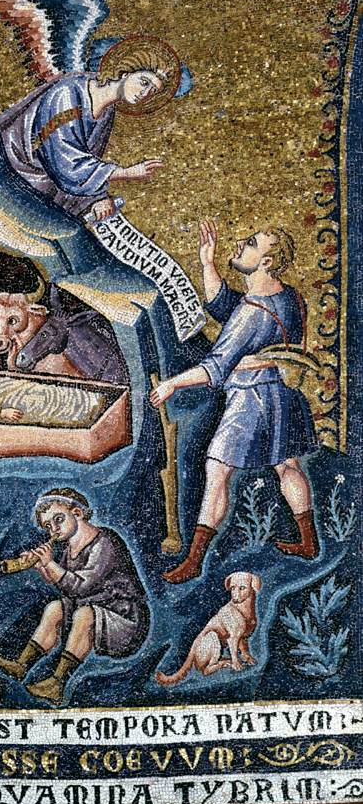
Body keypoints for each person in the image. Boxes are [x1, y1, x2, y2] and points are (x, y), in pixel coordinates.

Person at [151, 220, 317, 583]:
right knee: (287, 464)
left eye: (252, 243)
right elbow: (225, 306)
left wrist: (171, 384)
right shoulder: (288, 297)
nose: (241, 243)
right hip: (283, 395)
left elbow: (215, 366)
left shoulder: (252, 313)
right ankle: (309, 541)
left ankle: (194, 560)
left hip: (251, 400)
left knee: (217, 471)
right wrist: (207, 264)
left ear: (267, 261)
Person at [0, 489, 149, 705]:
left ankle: (57, 683)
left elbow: (81, 586)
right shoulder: (70, 549)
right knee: (55, 608)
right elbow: (65, 587)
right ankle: (22, 665)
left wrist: (50, 564)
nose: (53, 529)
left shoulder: (104, 542)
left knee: (84, 615)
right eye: (48, 526)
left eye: (58, 519)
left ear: (77, 513)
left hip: (125, 621)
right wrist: (41, 566)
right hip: (92, 609)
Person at [0, 37, 178, 220]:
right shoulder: (69, 92)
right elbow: (63, 160)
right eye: (144, 82)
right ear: (124, 72)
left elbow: (84, 160)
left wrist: (96, 199)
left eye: (153, 91)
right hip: (14, 173)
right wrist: (124, 173)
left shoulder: (106, 112)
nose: (145, 94)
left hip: (47, 185)